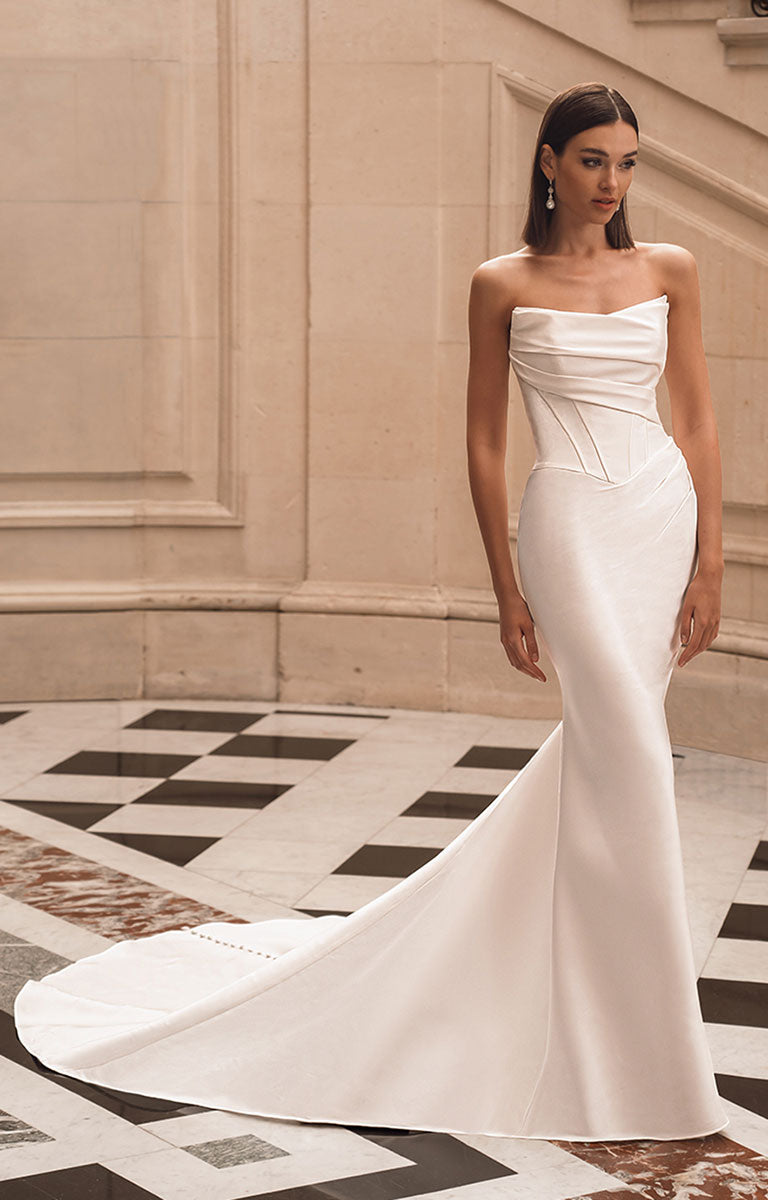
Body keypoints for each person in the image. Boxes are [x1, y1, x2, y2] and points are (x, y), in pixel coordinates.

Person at [14, 81, 730, 1143]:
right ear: (547, 163)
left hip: (658, 517)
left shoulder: (668, 270)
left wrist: (712, 558)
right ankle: (643, 1049)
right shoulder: (501, 282)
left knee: (609, 764)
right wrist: (506, 585)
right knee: (621, 754)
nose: (610, 182)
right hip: (572, 526)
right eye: (590, 160)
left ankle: (597, 1010)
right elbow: (486, 443)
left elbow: (701, 422)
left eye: (626, 162)